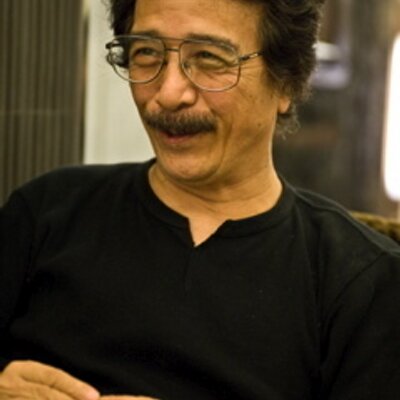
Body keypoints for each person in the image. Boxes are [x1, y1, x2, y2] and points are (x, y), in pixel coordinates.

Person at [0, 0, 399, 399]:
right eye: (146, 53)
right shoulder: (45, 213)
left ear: (286, 81)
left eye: (209, 58)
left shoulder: (361, 282)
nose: (168, 94)